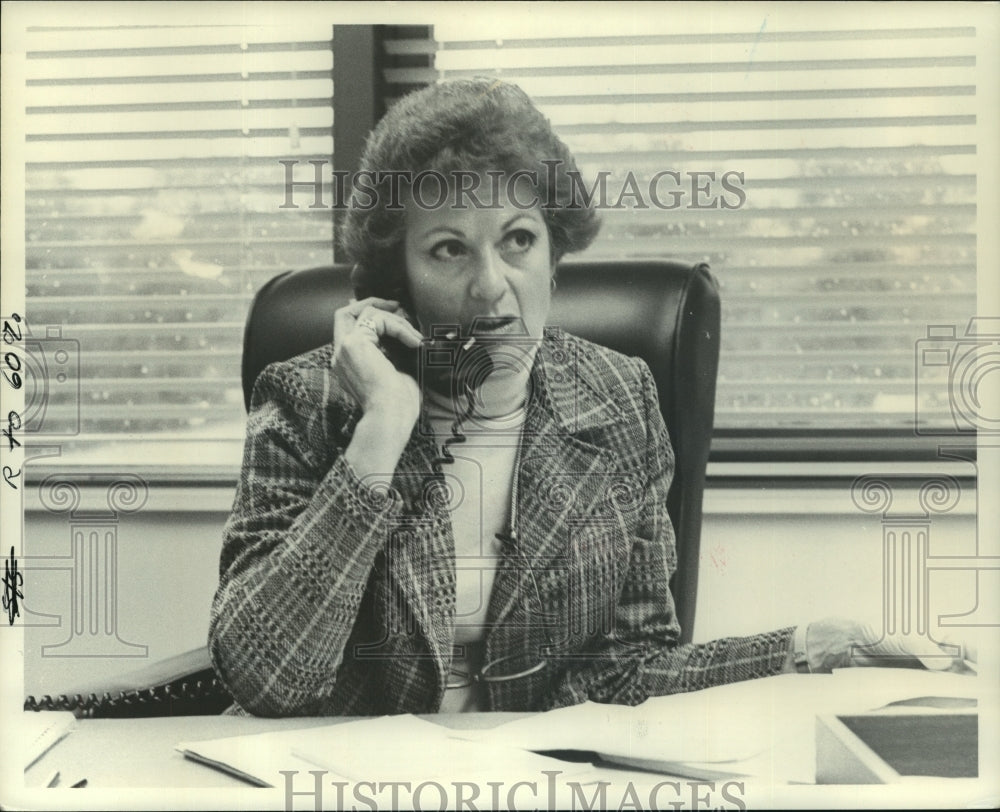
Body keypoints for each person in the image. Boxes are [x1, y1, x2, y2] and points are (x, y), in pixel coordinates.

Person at [209, 78, 973, 717]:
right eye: (448, 249)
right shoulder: (306, 399)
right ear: (395, 280)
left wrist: (810, 646)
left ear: (555, 255)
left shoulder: (618, 398)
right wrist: (383, 427)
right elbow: (268, 682)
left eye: (517, 239)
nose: (491, 286)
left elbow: (626, 676)